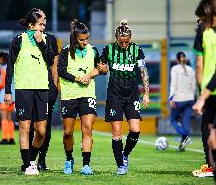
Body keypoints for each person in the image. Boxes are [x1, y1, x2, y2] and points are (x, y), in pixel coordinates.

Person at [4, 8, 54, 175]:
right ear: (31, 25)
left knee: (41, 130)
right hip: (23, 88)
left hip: (42, 88)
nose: (43, 26)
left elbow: (50, 61)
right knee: (25, 128)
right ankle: (27, 164)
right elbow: (9, 66)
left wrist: (41, 42)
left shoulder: (48, 39)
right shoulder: (18, 40)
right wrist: (7, 90)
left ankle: (32, 158)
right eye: (41, 23)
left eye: (44, 23)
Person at [58, 19, 107, 175]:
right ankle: (69, 159)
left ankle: (86, 165)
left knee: (87, 129)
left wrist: (102, 69)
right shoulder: (65, 51)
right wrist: (78, 79)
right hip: (70, 94)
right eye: (82, 39)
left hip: (87, 94)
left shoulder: (93, 51)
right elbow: (61, 71)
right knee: (68, 132)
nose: (85, 42)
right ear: (74, 38)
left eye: (87, 39)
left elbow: (101, 68)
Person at [101, 20, 150, 175]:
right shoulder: (108, 49)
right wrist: (100, 69)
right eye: (121, 42)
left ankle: (125, 154)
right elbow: (101, 67)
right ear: (116, 39)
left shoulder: (137, 50)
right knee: (117, 132)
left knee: (135, 130)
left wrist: (146, 93)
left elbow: (143, 72)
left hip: (132, 94)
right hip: (114, 94)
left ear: (130, 39)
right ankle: (121, 165)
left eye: (127, 42)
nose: (124, 45)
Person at [192, 0, 216, 184]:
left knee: (215, 142)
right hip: (214, 93)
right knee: (214, 142)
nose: (202, 23)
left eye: (204, 19)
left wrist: (202, 97)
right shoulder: (207, 31)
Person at [28, 10, 59, 171]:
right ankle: (29, 160)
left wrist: (54, 86)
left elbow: (54, 65)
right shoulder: (24, 39)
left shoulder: (51, 39)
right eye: (41, 18)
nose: (44, 21)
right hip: (30, 87)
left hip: (47, 89)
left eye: (45, 19)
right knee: (30, 125)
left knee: (45, 126)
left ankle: (42, 159)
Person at [169, 52, 196, 151]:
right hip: (190, 99)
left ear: (177, 60)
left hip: (179, 99)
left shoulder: (175, 69)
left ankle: (185, 135)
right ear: (185, 58)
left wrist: (171, 98)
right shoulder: (191, 70)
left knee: (173, 120)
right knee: (186, 121)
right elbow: (194, 86)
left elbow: (173, 84)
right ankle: (183, 144)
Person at [0, 51, 15, 145]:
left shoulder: (3, 69)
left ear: (2, 58)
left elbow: (3, 83)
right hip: (13, 95)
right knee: (10, 118)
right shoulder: (13, 67)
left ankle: (5, 139)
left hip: (5, 95)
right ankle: (11, 139)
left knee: (4, 118)